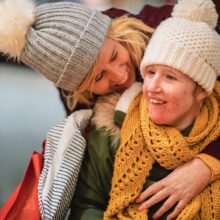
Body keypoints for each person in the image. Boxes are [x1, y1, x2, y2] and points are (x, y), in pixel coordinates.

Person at [0, 0, 219, 219]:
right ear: (82, 89)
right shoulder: (82, 104)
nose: (119, 75)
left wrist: (205, 166)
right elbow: (91, 192)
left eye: (114, 55)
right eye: (98, 77)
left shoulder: (168, 29)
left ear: (114, 32)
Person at [70, 0, 220, 219]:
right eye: (150, 73)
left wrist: (206, 167)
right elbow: (85, 206)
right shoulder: (107, 136)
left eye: (170, 77)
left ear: (201, 91)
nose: (152, 87)